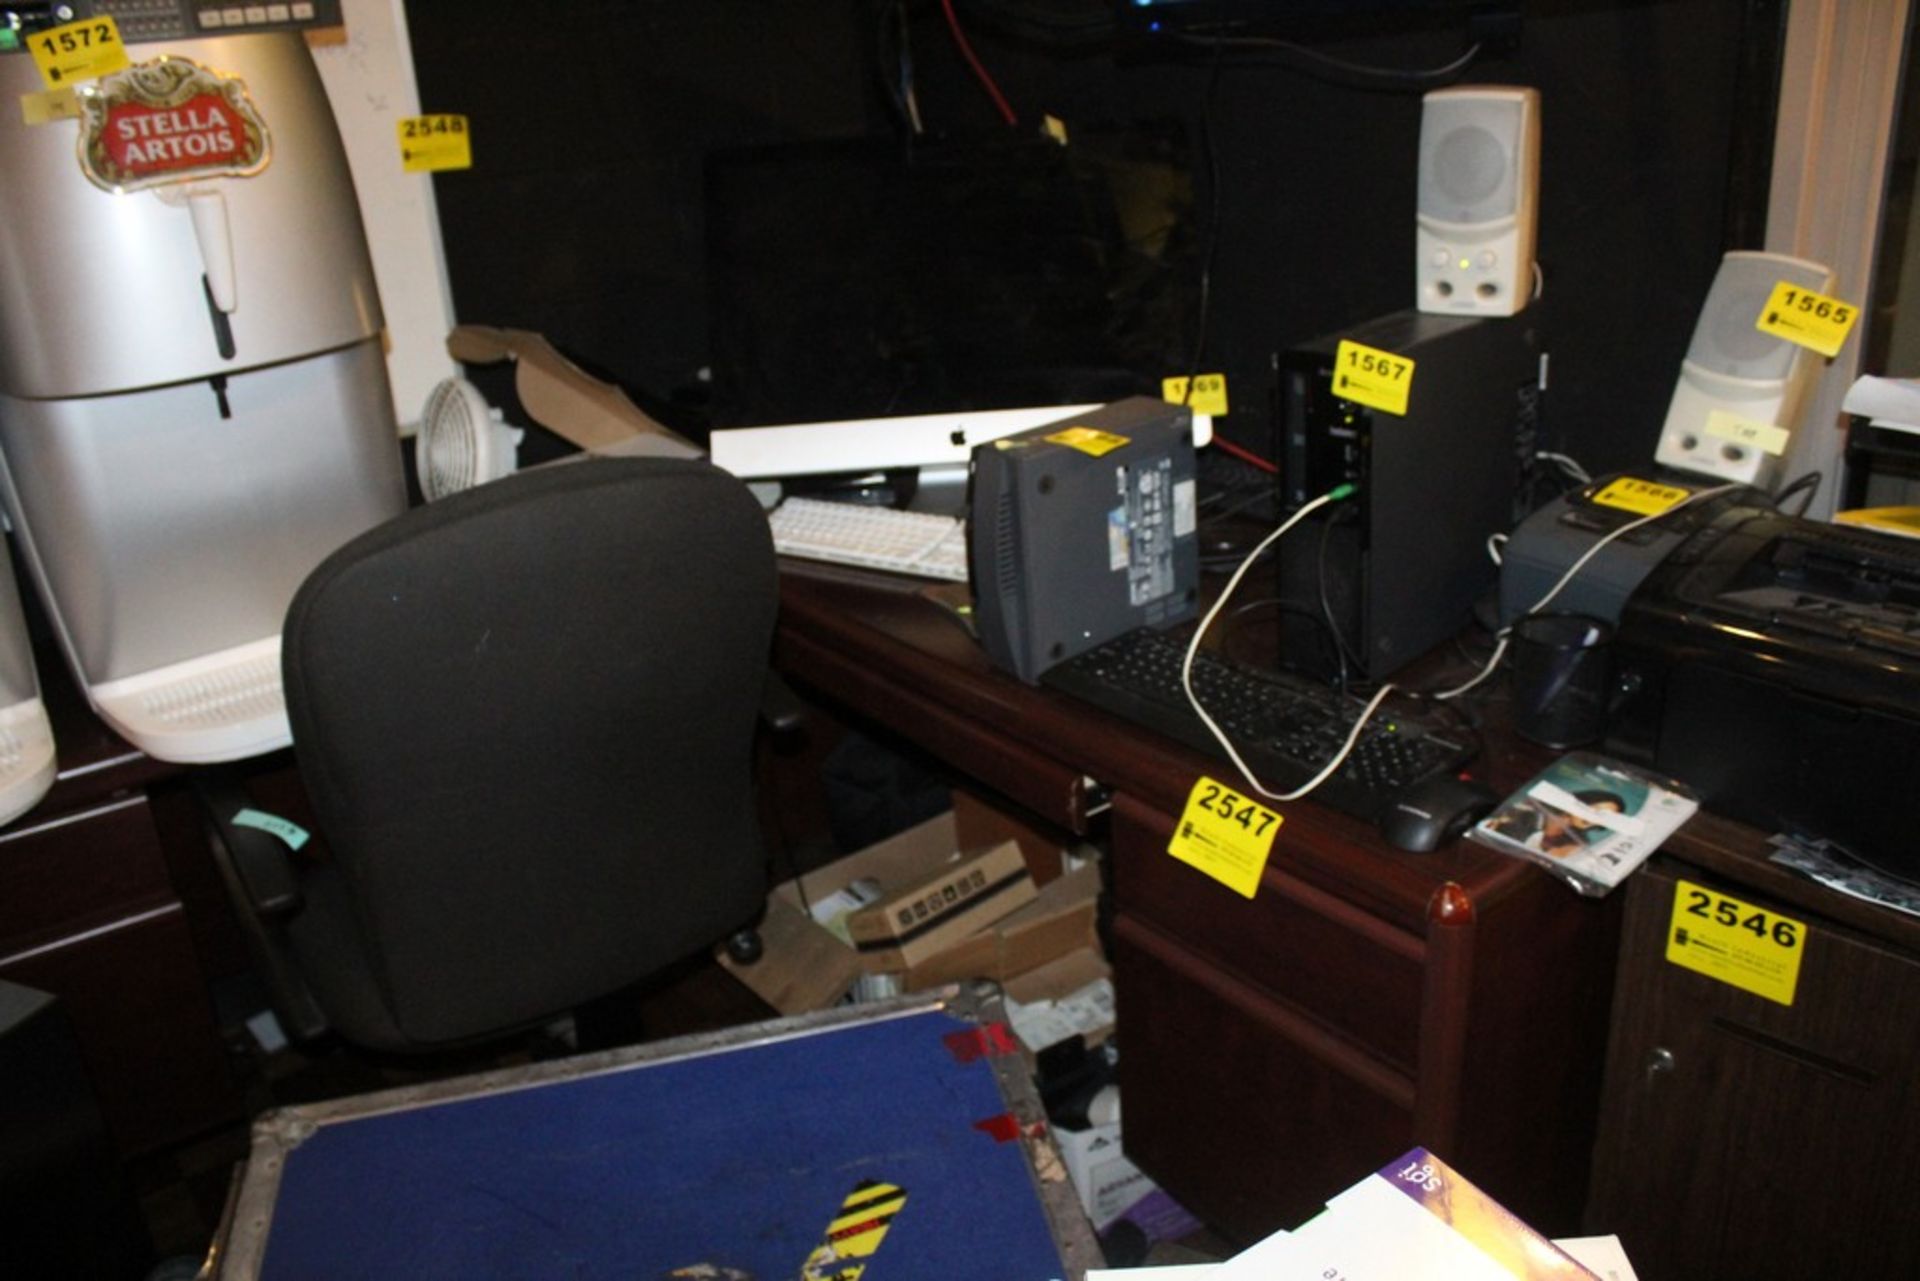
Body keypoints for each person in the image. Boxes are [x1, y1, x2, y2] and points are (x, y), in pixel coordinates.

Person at [1486, 788, 1626, 859]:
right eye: (1597, 810)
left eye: (1605, 817)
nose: (1595, 819)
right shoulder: (1535, 807)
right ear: (1585, 801)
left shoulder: (1579, 843)